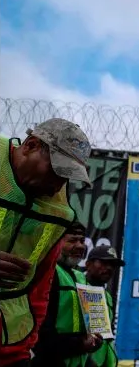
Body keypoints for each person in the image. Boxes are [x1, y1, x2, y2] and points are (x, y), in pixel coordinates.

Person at [0, 119, 92, 367]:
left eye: (67, 179)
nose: (56, 188)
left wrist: (25, 348)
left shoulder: (58, 212)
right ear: (30, 145)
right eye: (56, 172)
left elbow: (40, 285)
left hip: (10, 352)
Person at [31, 222, 103, 367]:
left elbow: (95, 326)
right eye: (72, 240)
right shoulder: (47, 273)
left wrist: (96, 339)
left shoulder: (82, 278)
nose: (80, 246)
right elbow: (41, 332)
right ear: (56, 241)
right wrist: (80, 343)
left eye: (82, 241)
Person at [85, 245, 124, 367]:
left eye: (112, 265)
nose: (109, 268)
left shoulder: (107, 297)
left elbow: (107, 338)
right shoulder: (76, 288)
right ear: (88, 264)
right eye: (103, 262)